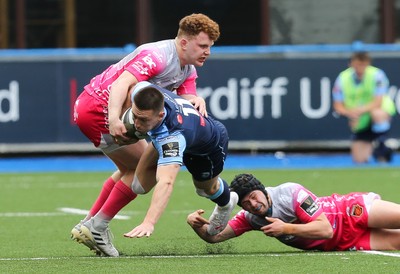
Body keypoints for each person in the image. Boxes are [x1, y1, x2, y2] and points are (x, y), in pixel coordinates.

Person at [71, 13, 220, 256]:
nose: (207, 52)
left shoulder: (188, 68)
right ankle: (97, 225)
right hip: (99, 109)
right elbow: (121, 84)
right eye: (203, 46)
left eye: (210, 47)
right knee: (146, 170)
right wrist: (114, 119)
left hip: (91, 108)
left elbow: (185, 98)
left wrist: (197, 99)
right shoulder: (158, 56)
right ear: (184, 43)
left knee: (129, 169)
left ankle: (90, 222)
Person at [78, 82, 238, 257]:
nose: (137, 124)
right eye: (135, 116)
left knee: (205, 189)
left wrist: (149, 222)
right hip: (174, 133)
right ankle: (97, 223)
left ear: (160, 115)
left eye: (144, 120)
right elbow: (127, 85)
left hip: (207, 149)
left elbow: (166, 181)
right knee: (138, 186)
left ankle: (227, 201)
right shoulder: (143, 90)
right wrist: (116, 118)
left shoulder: (172, 139)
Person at [187, 173, 400, 251]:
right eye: (246, 203)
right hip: (345, 242)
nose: (252, 205)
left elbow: (325, 229)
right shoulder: (251, 218)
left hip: (351, 211)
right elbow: (214, 238)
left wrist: (286, 228)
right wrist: (197, 225)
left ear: (261, 190)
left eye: (253, 197)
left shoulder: (290, 193)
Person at [332, 51, 396, 163]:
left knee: (378, 114)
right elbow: (338, 106)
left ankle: (381, 144)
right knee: (359, 160)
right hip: (360, 118)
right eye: (357, 64)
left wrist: (358, 111)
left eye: (362, 65)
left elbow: (378, 102)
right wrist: (350, 114)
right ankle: (375, 146)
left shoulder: (377, 75)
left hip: (376, 112)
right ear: (351, 64)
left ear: (368, 64)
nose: (359, 68)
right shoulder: (342, 78)